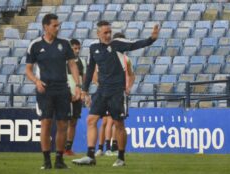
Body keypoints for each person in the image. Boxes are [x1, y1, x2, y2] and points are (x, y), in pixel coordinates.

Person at [72, 20, 159, 167]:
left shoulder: (117, 44)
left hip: (116, 91)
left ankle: (120, 157)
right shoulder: (93, 47)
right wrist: (85, 90)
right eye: (105, 32)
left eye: (109, 32)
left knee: (119, 125)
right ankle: (90, 155)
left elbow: (135, 44)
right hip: (101, 91)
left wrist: (151, 39)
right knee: (91, 120)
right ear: (98, 33)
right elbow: (90, 68)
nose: (108, 35)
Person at [26, 13, 81, 170]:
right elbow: (28, 70)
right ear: (45, 26)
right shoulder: (35, 45)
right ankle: (46, 161)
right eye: (55, 25)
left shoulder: (64, 44)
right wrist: (36, 81)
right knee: (46, 124)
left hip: (62, 88)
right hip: (45, 89)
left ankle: (59, 160)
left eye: (58, 25)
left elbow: (72, 65)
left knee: (63, 124)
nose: (58, 28)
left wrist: (78, 86)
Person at [95, 32, 136, 157]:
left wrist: (128, 86)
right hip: (107, 92)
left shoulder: (126, 59)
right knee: (107, 121)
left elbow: (131, 75)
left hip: (118, 92)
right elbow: (94, 72)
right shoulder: (106, 55)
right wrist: (101, 85)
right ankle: (105, 148)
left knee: (114, 121)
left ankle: (108, 148)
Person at [64, 39, 86, 156]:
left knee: (73, 122)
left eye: (78, 48)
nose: (77, 51)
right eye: (75, 48)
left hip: (78, 96)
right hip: (66, 95)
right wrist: (69, 93)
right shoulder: (64, 62)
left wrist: (82, 92)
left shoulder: (82, 62)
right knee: (63, 122)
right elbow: (63, 79)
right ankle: (60, 148)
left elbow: (85, 79)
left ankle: (68, 148)